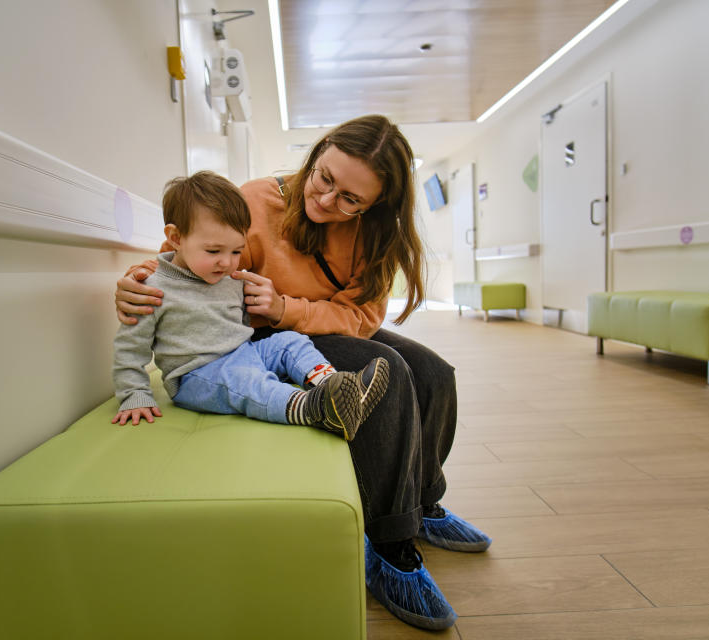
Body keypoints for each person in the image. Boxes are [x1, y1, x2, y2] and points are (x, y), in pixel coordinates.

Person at [115, 115, 491, 631]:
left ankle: (424, 502)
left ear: (375, 205)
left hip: (309, 321)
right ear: (317, 155)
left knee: (434, 374)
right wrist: (137, 282)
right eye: (325, 178)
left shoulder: (376, 237)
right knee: (392, 371)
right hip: (259, 336)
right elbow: (187, 261)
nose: (327, 200)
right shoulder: (254, 201)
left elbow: (359, 318)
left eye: (350, 200)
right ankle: (389, 545)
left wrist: (289, 306)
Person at [112, 170, 389, 443]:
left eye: (236, 251)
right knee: (249, 384)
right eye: (213, 251)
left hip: (243, 352)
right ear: (176, 238)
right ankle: (315, 409)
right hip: (198, 376)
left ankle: (333, 386)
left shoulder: (230, 277)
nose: (228, 262)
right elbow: (130, 349)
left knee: (290, 341)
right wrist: (134, 394)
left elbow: (242, 325)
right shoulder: (152, 289)